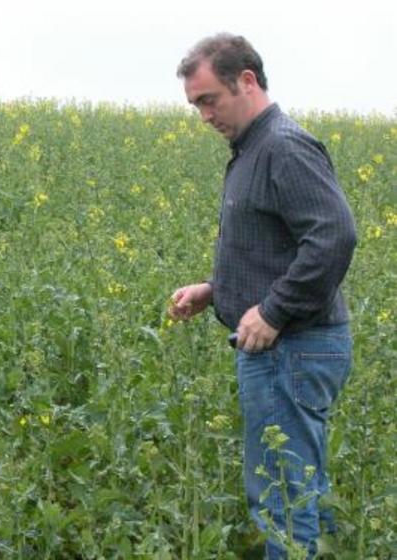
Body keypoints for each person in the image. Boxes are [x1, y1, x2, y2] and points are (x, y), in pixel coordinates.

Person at [169, 34, 356, 558]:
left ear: (246, 81)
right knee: (294, 493)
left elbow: (333, 235)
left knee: (283, 499)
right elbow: (279, 244)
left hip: (292, 348)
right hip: (286, 348)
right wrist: (216, 290)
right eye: (195, 105)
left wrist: (273, 310)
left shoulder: (283, 146)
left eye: (209, 99)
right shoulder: (255, 148)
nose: (204, 115)